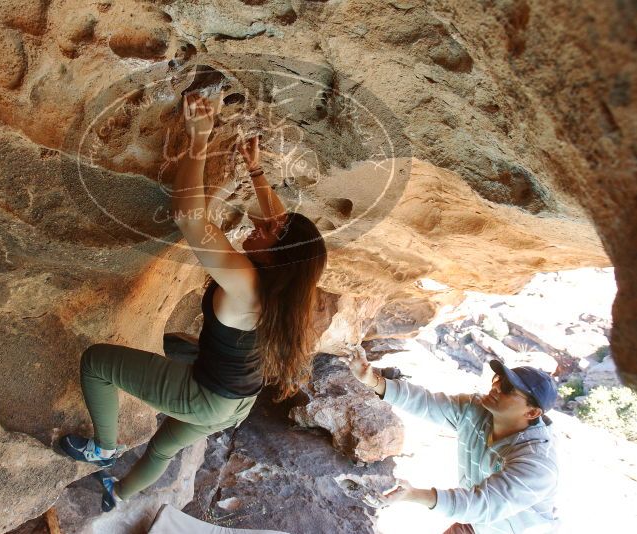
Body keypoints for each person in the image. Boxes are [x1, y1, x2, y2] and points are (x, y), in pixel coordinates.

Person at [59, 92, 328, 512]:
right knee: (163, 447)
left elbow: (189, 219)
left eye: (270, 230)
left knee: (97, 362)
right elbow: (279, 225)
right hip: (237, 403)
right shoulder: (290, 287)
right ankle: (119, 494)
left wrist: (199, 139)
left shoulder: (245, 283)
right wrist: (256, 172)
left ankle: (104, 450)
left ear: (278, 255)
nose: (260, 222)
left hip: (208, 395)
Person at [343, 355, 559, 533]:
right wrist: (373, 381)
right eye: (499, 380)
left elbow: (483, 505)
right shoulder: (476, 410)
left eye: (509, 389)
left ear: (532, 412)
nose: (496, 388)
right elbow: (426, 402)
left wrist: (413, 494)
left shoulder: (538, 463)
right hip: (474, 523)